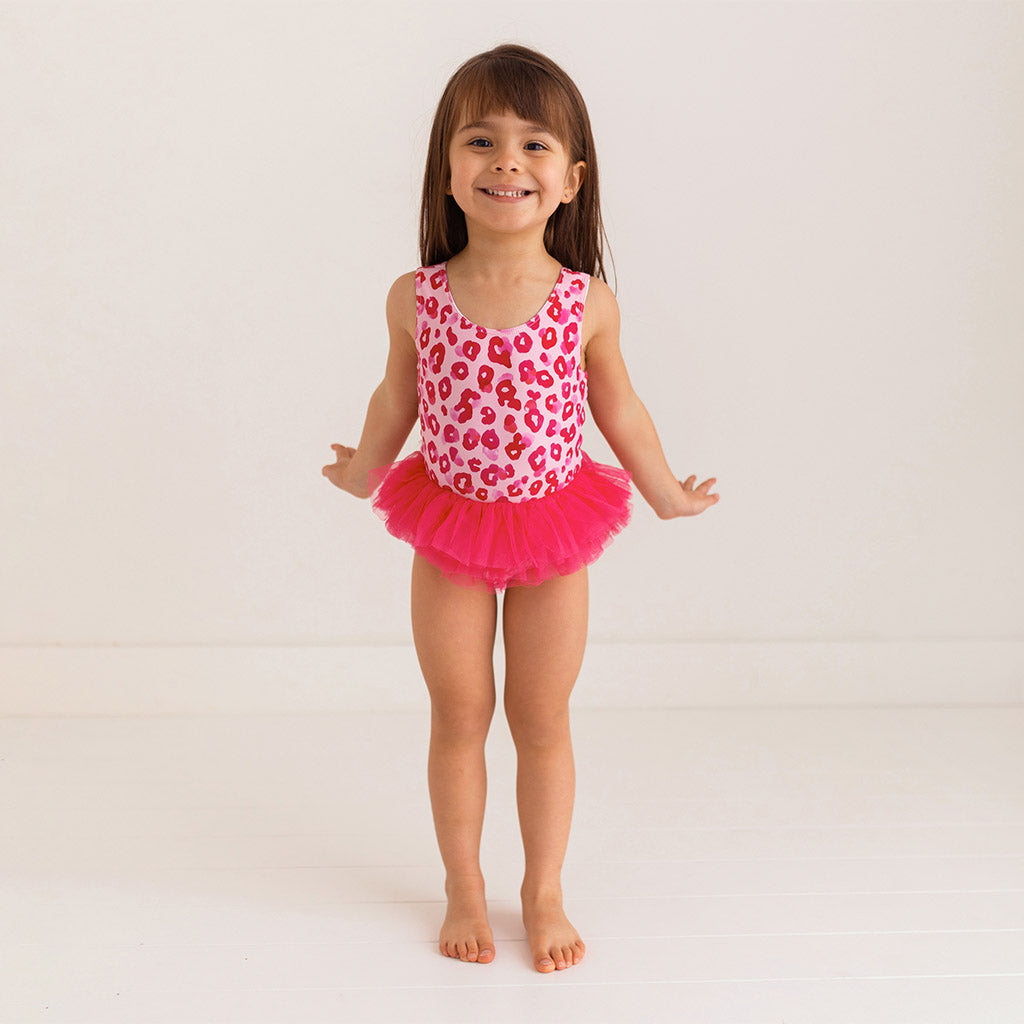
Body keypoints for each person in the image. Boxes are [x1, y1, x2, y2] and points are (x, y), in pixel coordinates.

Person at [322, 44, 719, 973]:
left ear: (572, 179)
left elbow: (618, 405)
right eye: (482, 141)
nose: (508, 161)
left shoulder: (585, 303)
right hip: (450, 527)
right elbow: (399, 399)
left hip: (554, 531)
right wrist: (362, 469)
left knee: (541, 717)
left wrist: (662, 492)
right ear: (448, 173)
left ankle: (542, 891)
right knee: (459, 711)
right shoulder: (416, 298)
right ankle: (464, 881)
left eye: (535, 144)